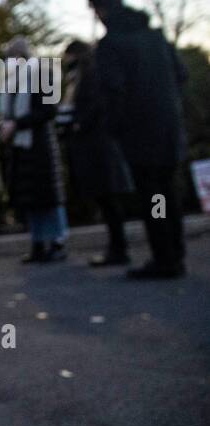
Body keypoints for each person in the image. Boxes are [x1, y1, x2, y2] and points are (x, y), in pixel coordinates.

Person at [89, 0, 189, 279]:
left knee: (154, 197)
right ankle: (174, 252)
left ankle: (164, 257)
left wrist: (115, 126)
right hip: (168, 125)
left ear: (103, 10)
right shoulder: (155, 37)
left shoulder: (112, 45)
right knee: (169, 193)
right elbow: (181, 74)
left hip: (140, 133)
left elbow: (113, 90)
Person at [62, 40, 134, 265]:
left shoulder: (90, 76)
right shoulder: (81, 76)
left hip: (96, 145)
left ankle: (120, 248)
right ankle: (119, 246)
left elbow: (93, 106)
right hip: (94, 144)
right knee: (107, 198)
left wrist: (78, 123)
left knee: (109, 198)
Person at [0, 37, 68, 263]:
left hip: (40, 144)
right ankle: (38, 243)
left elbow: (48, 110)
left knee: (48, 196)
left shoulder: (41, 75)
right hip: (22, 145)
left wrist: (16, 124)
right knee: (31, 198)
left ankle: (57, 241)